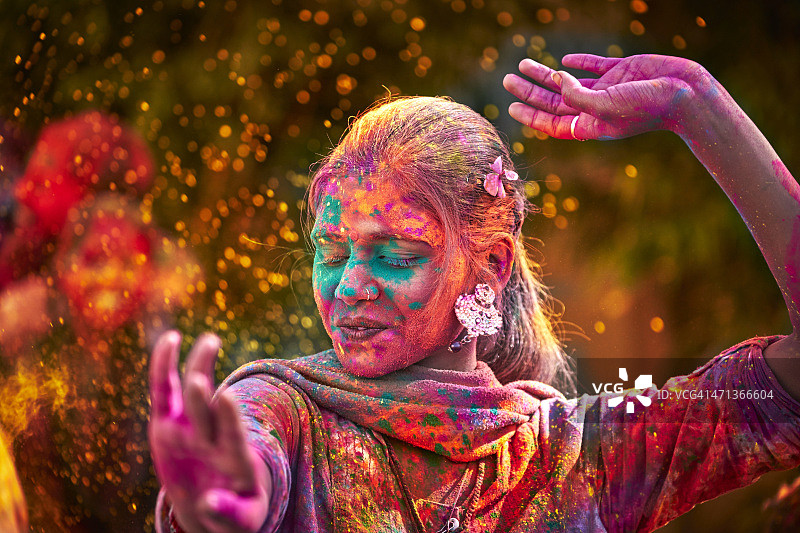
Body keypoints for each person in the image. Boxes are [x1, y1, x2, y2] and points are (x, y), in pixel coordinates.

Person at [149, 53, 800, 532]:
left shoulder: (578, 457)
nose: (349, 285)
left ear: (489, 266)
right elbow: (244, 465)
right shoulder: (282, 411)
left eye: (397, 254)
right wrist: (224, 503)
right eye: (332, 251)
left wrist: (696, 103)